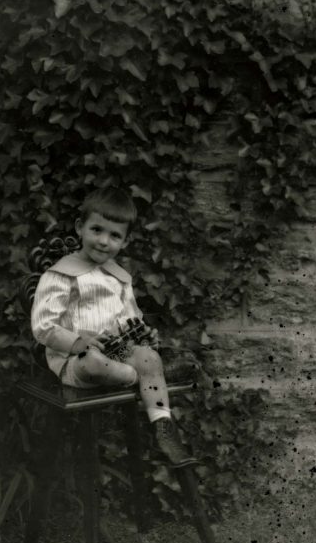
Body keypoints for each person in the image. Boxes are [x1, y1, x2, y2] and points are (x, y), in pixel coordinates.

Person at [31, 187, 195, 467]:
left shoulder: (119, 278)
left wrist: (144, 336)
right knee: (94, 361)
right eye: (97, 230)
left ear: (125, 241)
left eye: (115, 235)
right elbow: (43, 326)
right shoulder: (60, 275)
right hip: (76, 361)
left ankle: (163, 425)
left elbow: (131, 319)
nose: (104, 241)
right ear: (80, 228)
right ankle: (149, 378)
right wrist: (80, 342)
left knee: (149, 355)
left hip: (117, 354)